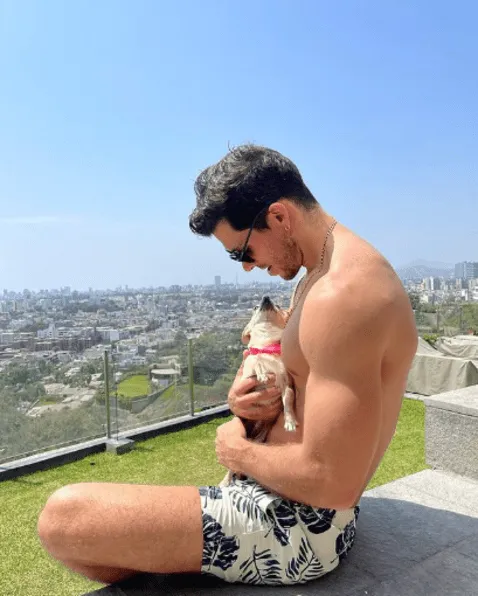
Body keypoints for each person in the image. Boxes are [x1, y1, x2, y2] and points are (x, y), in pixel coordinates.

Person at [37, 144, 418, 587]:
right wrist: (248, 406)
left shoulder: (344, 294)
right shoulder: (320, 274)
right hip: (277, 499)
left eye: (243, 251)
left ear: (278, 217)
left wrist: (235, 451)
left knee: (64, 519)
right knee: (105, 536)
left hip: (299, 527)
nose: (247, 269)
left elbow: (334, 484)